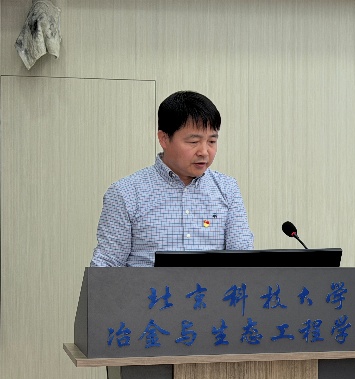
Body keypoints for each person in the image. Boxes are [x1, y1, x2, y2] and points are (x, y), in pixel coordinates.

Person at [90, 91, 254, 267]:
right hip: (147, 286)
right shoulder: (125, 193)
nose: (204, 152)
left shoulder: (227, 188)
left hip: (211, 286)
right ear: (164, 139)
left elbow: (243, 262)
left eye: (212, 141)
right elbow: (106, 266)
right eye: (193, 142)